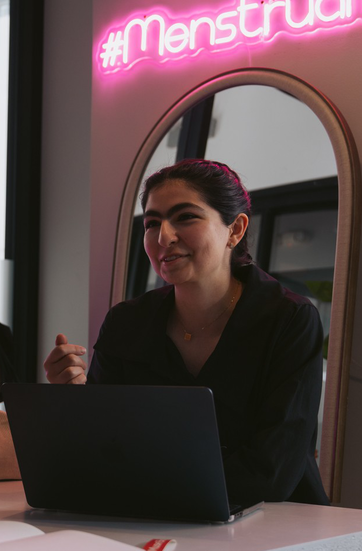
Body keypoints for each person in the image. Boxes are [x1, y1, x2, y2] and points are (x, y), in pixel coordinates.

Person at [44, 159, 328, 506]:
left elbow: (273, 470)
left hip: (276, 524)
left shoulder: (289, 319)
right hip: (156, 514)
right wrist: (70, 399)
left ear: (235, 230)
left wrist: (143, 482)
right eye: (152, 223)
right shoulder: (126, 322)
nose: (163, 236)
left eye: (185, 217)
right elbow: (104, 446)